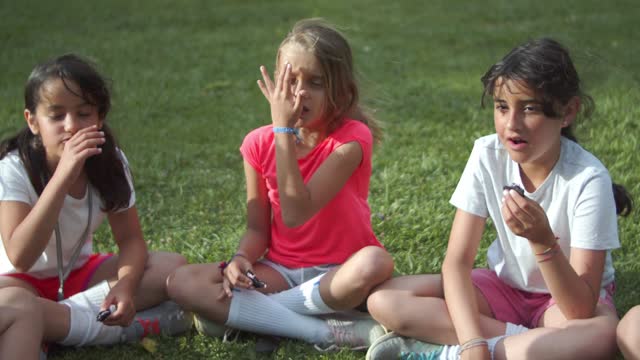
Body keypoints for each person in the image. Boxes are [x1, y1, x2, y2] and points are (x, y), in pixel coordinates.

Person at [365, 38, 633, 360]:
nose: (511, 124)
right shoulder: (487, 154)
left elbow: (579, 308)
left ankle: (443, 352)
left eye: (530, 108)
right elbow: (457, 262)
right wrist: (472, 343)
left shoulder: (588, 179)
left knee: (598, 336)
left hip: (560, 305)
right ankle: (512, 345)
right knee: (385, 300)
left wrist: (543, 241)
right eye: (502, 106)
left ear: (568, 112)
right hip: (503, 289)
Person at [167, 18, 394, 351]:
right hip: (279, 272)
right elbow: (258, 230)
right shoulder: (257, 144)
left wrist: (283, 133)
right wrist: (241, 258)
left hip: (340, 273)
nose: (299, 93)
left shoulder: (352, 139)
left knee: (375, 262)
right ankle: (319, 331)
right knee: (181, 282)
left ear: (342, 91)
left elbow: (295, 212)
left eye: (315, 82)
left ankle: (251, 318)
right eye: (290, 80)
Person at [0, 54, 192, 359]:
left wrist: (126, 285)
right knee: (19, 307)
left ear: (99, 118)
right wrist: (63, 175)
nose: (72, 126)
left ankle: (48, 324)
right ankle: (68, 326)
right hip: (15, 284)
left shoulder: (110, 162)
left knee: (170, 266)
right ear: (32, 121)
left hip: (77, 275)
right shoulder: (14, 168)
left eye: (84, 113)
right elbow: (20, 257)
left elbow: (130, 240)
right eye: (57, 115)